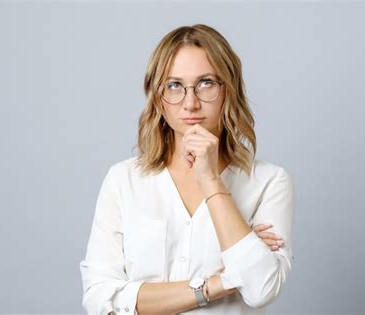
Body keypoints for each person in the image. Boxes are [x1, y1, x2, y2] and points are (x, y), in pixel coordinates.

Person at [79, 24, 294, 315]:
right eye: (175, 86)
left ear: (228, 91)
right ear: (159, 99)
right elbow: (100, 299)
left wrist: (209, 180)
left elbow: (260, 289)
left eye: (206, 83)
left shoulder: (269, 182)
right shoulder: (123, 180)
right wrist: (218, 283)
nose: (190, 103)